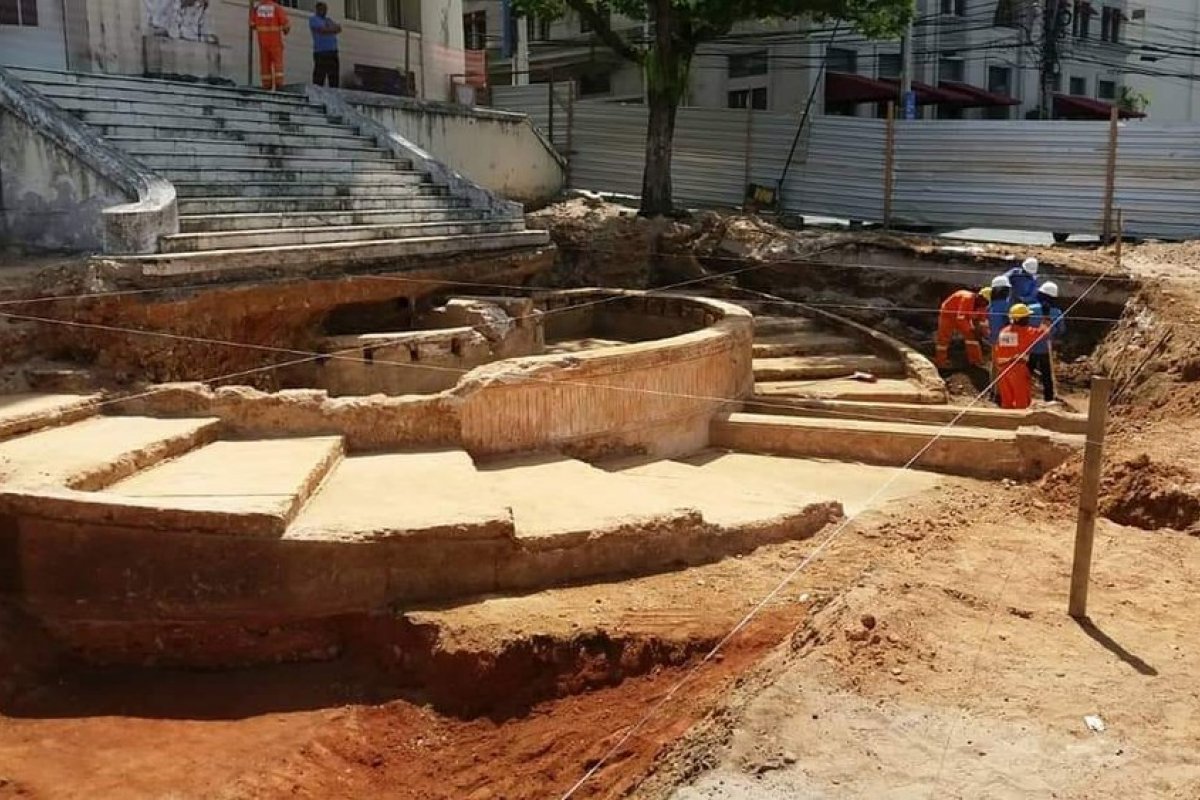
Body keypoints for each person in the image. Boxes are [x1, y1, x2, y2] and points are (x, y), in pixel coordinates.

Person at [993, 303, 1042, 410]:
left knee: (1007, 401)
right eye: (1026, 317)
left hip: (1002, 369)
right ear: (1019, 319)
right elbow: (1043, 333)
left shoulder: (1005, 331)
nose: (1028, 319)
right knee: (1021, 400)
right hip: (1017, 368)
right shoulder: (1025, 332)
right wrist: (1047, 322)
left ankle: (1007, 419)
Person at [934, 286, 991, 370]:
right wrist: (971, 330)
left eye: (987, 303)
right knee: (943, 339)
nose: (985, 304)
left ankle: (976, 361)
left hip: (963, 318)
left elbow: (981, 320)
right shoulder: (967, 298)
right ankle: (941, 362)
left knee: (972, 338)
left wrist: (983, 332)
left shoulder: (982, 306)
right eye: (985, 302)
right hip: (948, 315)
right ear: (980, 297)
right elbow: (960, 318)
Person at [1028, 280, 1066, 403]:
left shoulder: (1030, 309)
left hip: (1029, 348)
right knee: (1047, 376)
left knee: (1026, 374)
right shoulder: (1057, 313)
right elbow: (1061, 330)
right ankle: (1049, 398)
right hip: (1046, 349)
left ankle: (1022, 394)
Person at [250, 0, 291, 91]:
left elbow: (252, 25)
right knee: (277, 63)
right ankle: (279, 84)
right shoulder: (276, 7)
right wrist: (285, 30)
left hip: (262, 42)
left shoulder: (257, 8)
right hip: (275, 41)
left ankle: (266, 85)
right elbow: (286, 26)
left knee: (265, 64)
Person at [309, 2, 342, 87]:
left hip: (333, 51)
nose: (324, 11)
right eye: (322, 9)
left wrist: (330, 28)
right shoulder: (314, 19)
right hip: (321, 52)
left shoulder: (328, 20)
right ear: (317, 10)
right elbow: (322, 30)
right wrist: (332, 29)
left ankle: (334, 92)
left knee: (334, 77)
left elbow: (339, 28)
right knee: (319, 77)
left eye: (325, 9)